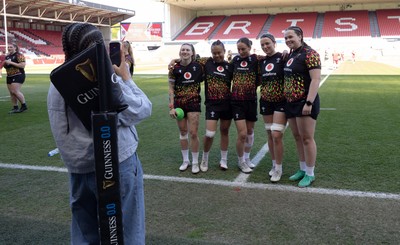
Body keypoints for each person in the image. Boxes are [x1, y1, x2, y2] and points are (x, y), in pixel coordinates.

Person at [47, 23, 152, 244]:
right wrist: (126, 78)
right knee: (127, 231)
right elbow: (142, 109)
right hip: (115, 165)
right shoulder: (103, 80)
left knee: (85, 234)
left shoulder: (56, 82)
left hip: (78, 170)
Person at [283, 26, 321, 188]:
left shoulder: (310, 54)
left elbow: (315, 80)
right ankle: (302, 169)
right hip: (290, 103)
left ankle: (310, 173)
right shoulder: (292, 54)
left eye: (291, 37)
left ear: (300, 36)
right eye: (285, 38)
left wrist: (309, 102)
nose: (288, 40)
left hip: (304, 103)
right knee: (298, 137)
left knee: (307, 138)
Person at [168, 43, 203, 174]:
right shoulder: (173, 68)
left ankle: (195, 162)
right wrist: (171, 106)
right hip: (179, 104)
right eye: (183, 50)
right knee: (183, 132)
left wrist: (174, 59)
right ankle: (185, 161)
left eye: (188, 50)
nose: (185, 52)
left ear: (192, 53)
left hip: (194, 102)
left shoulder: (199, 65)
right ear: (179, 52)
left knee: (193, 133)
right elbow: (171, 88)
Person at [258, 33, 287, 182]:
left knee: (277, 134)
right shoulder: (261, 61)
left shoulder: (283, 58)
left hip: (280, 102)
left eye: (267, 43)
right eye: (262, 45)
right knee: (269, 133)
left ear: (274, 43)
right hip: (265, 101)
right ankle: (274, 164)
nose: (265, 47)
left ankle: (279, 168)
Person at [230, 37, 259, 174]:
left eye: (243, 49)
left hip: (251, 101)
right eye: (238, 49)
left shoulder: (256, 59)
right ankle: (240, 161)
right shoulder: (235, 61)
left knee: (250, 132)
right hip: (236, 102)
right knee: (242, 134)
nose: (240, 52)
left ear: (249, 47)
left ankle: (247, 158)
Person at [3, 43, 27, 113]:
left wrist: (11, 63)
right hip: (9, 76)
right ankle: (15, 107)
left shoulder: (19, 55)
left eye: (11, 47)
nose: (9, 48)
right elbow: (6, 66)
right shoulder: (7, 56)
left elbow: (22, 65)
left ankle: (24, 105)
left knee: (15, 91)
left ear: (15, 48)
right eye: (9, 47)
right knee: (11, 93)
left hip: (18, 75)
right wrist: (5, 64)